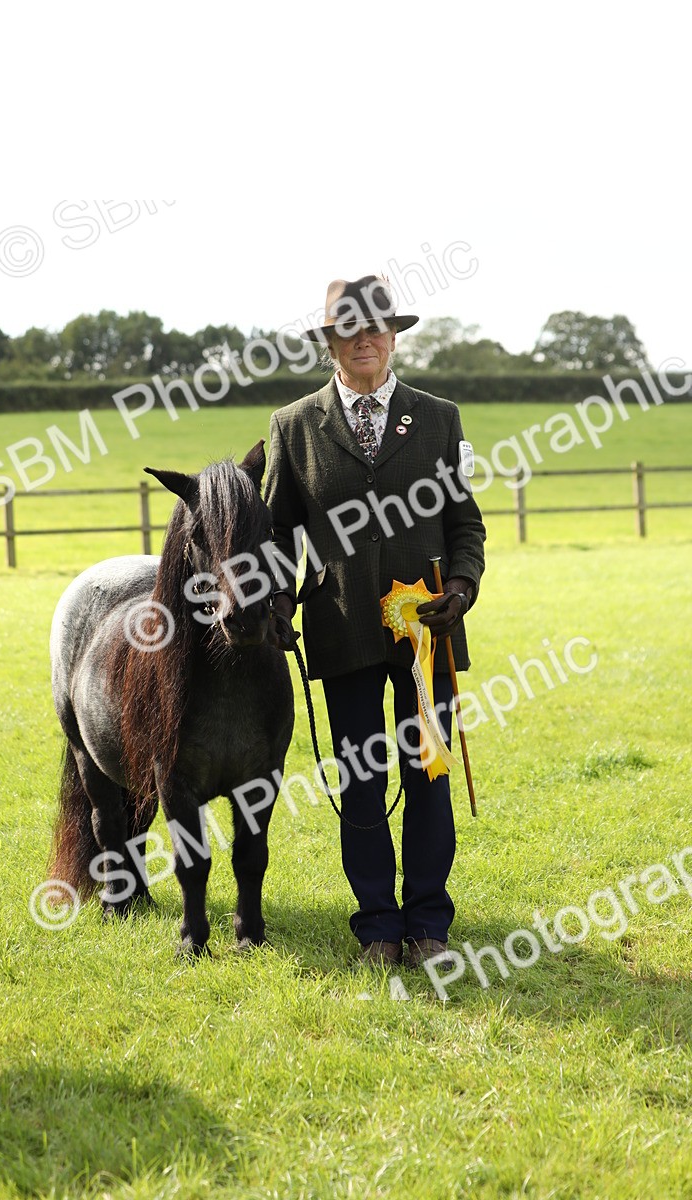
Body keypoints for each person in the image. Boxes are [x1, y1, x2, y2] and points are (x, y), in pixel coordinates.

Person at [265, 275, 486, 968]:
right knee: (361, 782)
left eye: (377, 327)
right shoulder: (293, 426)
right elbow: (273, 538)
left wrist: (460, 586)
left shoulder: (439, 418)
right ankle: (378, 931)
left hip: (430, 634)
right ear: (329, 342)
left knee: (429, 774)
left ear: (393, 337)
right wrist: (275, 606)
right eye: (349, 328)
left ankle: (428, 927)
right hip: (341, 630)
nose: (366, 339)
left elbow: (464, 523)